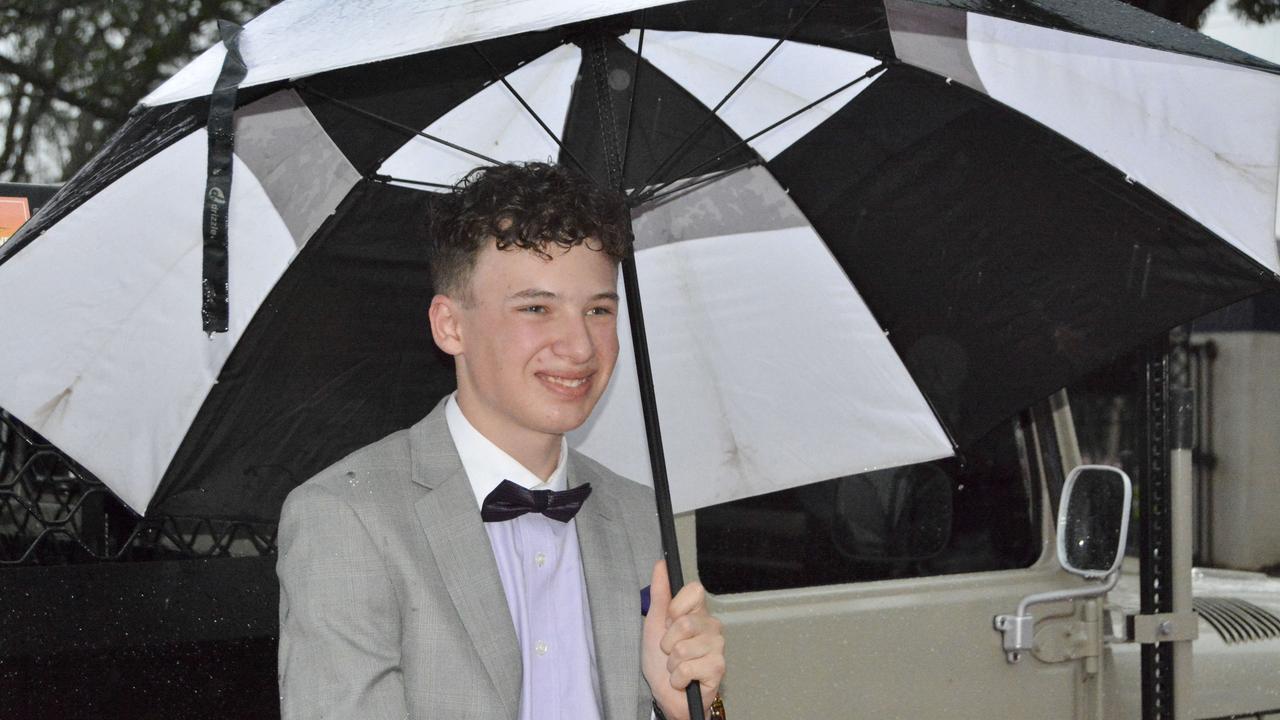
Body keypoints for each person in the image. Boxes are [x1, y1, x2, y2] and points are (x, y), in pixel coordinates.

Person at [276, 162, 726, 720]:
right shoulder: (347, 518)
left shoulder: (641, 516)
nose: (580, 345)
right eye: (536, 308)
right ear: (450, 326)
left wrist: (686, 710)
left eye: (599, 309)